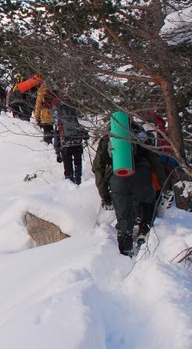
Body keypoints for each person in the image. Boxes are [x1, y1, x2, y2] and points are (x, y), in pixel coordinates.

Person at [92, 121, 167, 256]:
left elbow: (98, 167)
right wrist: (165, 186)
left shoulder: (108, 139)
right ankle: (144, 233)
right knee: (148, 204)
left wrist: (104, 195)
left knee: (123, 217)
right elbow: (155, 162)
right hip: (141, 176)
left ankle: (125, 252)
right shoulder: (141, 136)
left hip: (118, 178)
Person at [53, 95, 87, 184]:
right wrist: (85, 135)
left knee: (67, 166)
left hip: (65, 145)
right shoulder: (72, 112)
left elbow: (57, 134)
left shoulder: (59, 115)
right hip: (77, 144)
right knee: (78, 164)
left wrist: (57, 152)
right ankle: (78, 181)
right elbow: (78, 125)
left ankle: (70, 184)